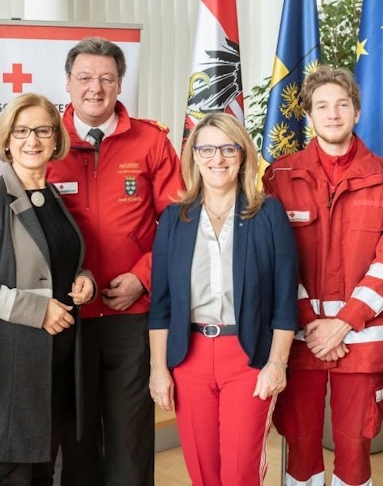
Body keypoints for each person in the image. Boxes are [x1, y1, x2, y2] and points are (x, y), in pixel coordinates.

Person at [262, 66, 383, 486]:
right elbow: (277, 260)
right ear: (308, 115)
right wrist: (312, 322)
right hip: (299, 336)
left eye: (342, 104)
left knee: (354, 446)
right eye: (322, 106)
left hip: (361, 339)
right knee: (300, 440)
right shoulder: (279, 177)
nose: (332, 114)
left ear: (357, 112)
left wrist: (344, 323)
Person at [46, 36, 184, 486]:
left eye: (106, 78)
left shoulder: (151, 141)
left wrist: (142, 278)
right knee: (78, 439)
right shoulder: (45, 142)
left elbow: (179, 223)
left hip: (132, 315)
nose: (95, 87)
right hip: (68, 317)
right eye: (84, 77)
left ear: (121, 83)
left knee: (130, 438)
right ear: (67, 82)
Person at [0, 93, 96, 486]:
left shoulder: (53, 198)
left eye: (43, 130)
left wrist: (86, 280)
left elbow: (61, 262)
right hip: (14, 368)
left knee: (44, 474)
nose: (33, 140)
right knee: (15, 476)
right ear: (7, 139)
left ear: (56, 139)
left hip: (58, 366)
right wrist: (37, 310)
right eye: (22, 131)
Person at [149, 113, 299, 486]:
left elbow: (285, 297)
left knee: (239, 472)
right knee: (202, 471)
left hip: (247, 356)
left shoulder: (268, 213)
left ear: (242, 154)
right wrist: (158, 368)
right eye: (207, 149)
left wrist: (277, 364)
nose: (218, 158)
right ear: (194, 156)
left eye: (228, 148)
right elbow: (162, 304)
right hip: (189, 357)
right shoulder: (174, 219)